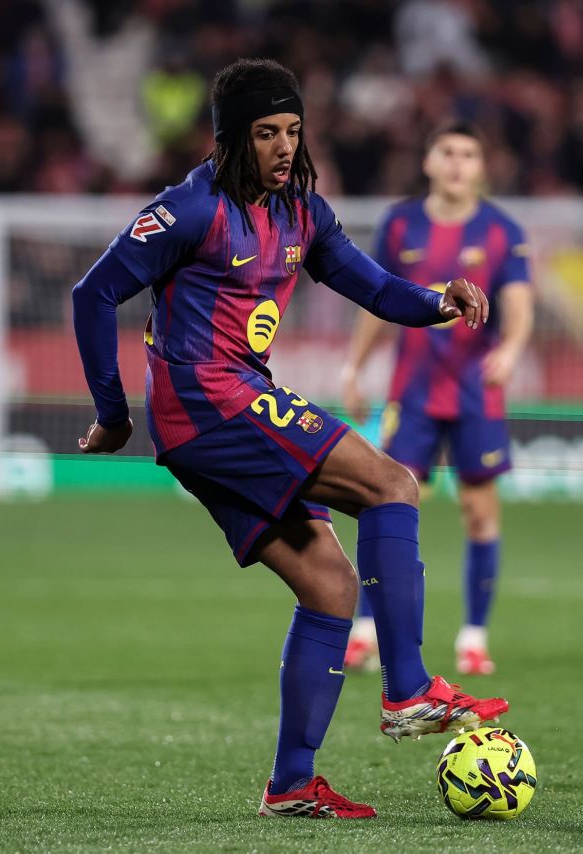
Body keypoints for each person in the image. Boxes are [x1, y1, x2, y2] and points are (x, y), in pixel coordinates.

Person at [70, 58, 509, 821]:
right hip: (208, 399)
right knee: (391, 485)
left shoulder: (302, 211)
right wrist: (112, 413)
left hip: (226, 406)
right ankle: (408, 689)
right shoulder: (190, 208)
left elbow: (373, 287)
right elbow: (93, 291)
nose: (283, 147)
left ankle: (291, 785)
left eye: (293, 131)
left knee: (330, 587)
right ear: (230, 138)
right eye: (266, 133)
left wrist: (438, 301)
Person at [341, 120, 534, 676]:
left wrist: (512, 349)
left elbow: (519, 303)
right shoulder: (400, 223)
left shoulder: (501, 230)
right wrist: (354, 367)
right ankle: (365, 631)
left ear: (481, 167)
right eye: (446, 152)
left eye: (468, 154)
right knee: (390, 504)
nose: (456, 163)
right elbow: (376, 299)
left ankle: (473, 637)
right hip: (414, 392)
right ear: (428, 161)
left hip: (476, 393)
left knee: (479, 512)